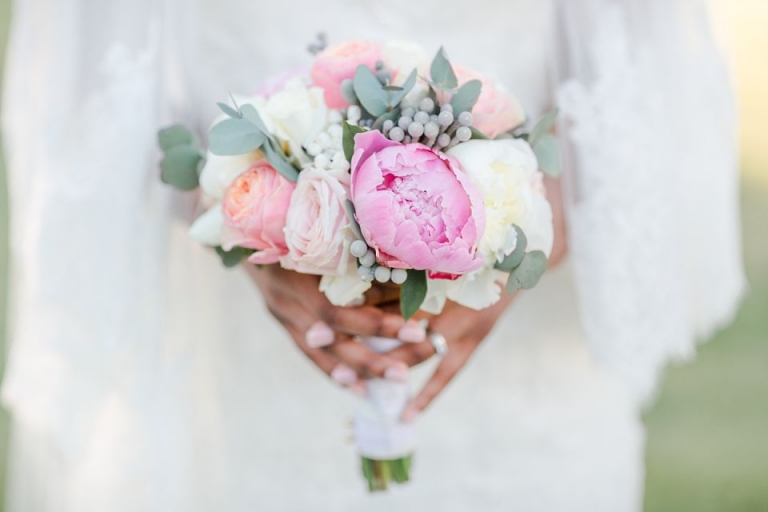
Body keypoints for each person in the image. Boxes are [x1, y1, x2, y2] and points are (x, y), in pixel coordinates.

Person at [0, 0, 744, 511]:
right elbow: (89, 91)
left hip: (523, 378)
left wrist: (519, 235)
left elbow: (647, 81)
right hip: (230, 371)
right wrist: (247, 213)